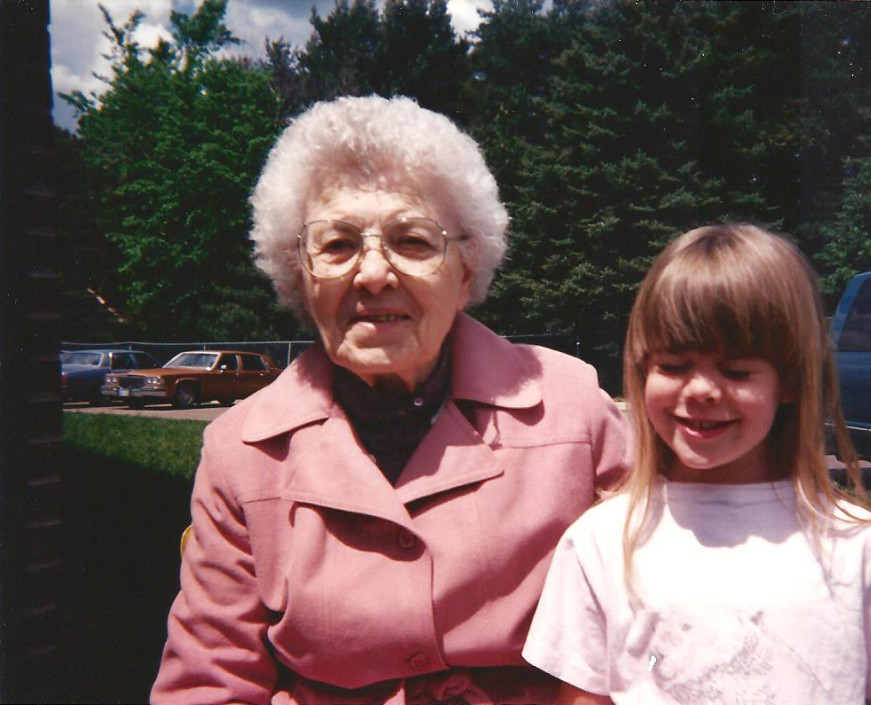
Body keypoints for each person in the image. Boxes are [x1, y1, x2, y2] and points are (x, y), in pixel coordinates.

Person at [150, 96, 630, 705]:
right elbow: (210, 681)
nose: (373, 274)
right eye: (339, 245)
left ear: (466, 268)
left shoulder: (576, 412)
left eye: (412, 240)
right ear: (298, 274)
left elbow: (662, 619)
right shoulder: (240, 451)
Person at [522, 224, 871, 705]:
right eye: (673, 365)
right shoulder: (603, 540)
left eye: (736, 371)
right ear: (643, 370)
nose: (702, 389)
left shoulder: (855, 542)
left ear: (789, 380)